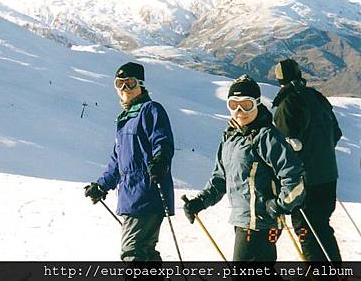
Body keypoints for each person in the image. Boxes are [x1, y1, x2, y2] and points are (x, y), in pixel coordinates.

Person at [182, 75, 305, 262]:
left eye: (246, 105)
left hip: (263, 224)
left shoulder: (267, 137)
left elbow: (295, 179)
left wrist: (280, 205)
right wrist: (200, 201)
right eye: (233, 105)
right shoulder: (230, 138)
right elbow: (220, 178)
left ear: (257, 104)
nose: (240, 111)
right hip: (244, 220)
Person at [84, 62, 175, 261]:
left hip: (147, 191)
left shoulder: (150, 110)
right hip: (130, 196)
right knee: (144, 253)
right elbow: (117, 162)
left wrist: (160, 162)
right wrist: (101, 186)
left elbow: (163, 141)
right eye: (120, 84)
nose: (125, 89)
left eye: (130, 83)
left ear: (141, 85)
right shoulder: (125, 119)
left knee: (132, 253)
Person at [272, 59, 342, 262]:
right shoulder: (318, 98)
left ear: (279, 79)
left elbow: (283, 147)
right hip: (329, 175)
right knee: (322, 226)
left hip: (306, 180)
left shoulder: (287, 103)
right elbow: (336, 133)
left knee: (307, 230)